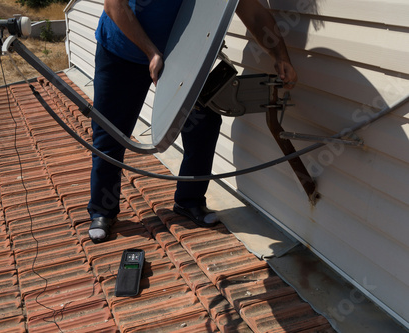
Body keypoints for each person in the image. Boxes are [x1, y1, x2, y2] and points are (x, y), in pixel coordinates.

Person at [87, 0, 298, 243]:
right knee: (110, 132)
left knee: (204, 124)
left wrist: (281, 55)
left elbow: (253, 13)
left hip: (185, 55)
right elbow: (114, 6)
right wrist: (151, 52)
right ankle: (103, 210)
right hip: (122, 51)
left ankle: (190, 200)